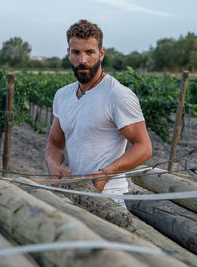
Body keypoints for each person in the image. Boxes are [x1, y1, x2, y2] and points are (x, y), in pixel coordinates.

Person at [44, 19, 152, 202]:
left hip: (110, 198)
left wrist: (105, 173)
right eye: (76, 52)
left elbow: (144, 147)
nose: (82, 60)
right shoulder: (62, 95)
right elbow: (54, 144)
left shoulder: (117, 95)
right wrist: (52, 165)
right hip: (76, 194)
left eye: (89, 52)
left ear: (101, 54)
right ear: (68, 53)